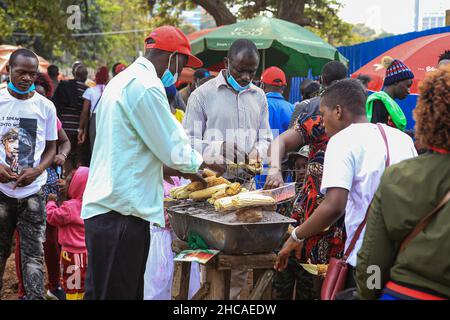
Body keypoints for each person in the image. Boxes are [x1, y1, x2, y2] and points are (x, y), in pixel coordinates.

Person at [81, 26, 219, 300]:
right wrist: (201, 171)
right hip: (121, 214)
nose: (180, 72)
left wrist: (182, 168)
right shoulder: (146, 86)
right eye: (182, 64)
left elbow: (135, 147)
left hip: (110, 212)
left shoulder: (122, 81)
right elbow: (173, 147)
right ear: (172, 58)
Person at [275, 79, 417, 293]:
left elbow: (334, 205)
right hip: (405, 255)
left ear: (338, 111)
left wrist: (296, 236)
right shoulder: (402, 139)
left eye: (324, 114)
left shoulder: (342, 141)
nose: (322, 121)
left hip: (369, 258)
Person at [183, 39, 272, 299]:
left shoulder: (260, 96)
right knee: (212, 258)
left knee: (241, 257)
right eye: (239, 70)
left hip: (245, 189)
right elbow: (186, 141)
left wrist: (259, 151)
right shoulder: (202, 95)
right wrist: (218, 147)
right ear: (226, 64)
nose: (245, 77)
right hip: (210, 188)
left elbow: (265, 137)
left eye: (251, 72)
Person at [356, 65, 450, 300]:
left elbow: (372, 262)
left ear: (424, 115)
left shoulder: (396, 177)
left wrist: (368, 293)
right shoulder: (381, 101)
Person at [265, 61, 348, 300]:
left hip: (336, 228)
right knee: (284, 279)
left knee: (315, 289)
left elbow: (337, 203)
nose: (320, 117)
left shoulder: (360, 138)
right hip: (302, 216)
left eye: (323, 112)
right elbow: (280, 142)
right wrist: (274, 169)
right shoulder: (317, 126)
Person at [0, 48, 58, 300]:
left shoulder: (45, 106)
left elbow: (52, 145)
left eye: (32, 74)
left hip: (34, 192)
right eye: (21, 72)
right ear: (8, 70)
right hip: (2, 193)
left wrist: (38, 169)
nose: (26, 78)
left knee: (34, 254)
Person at [14, 72, 71, 300]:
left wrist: (62, 156)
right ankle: (24, 291)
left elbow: (64, 142)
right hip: (19, 184)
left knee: (49, 238)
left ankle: (54, 285)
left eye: (39, 95)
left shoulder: (47, 113)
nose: (33, 98)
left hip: (46, 183)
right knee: (23, 241)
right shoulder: (12, 113)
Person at [46, 166, 89, 300]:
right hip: (87, 253)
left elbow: (52, 217)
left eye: (69, 182)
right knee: (83, 283)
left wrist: (51, 202)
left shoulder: (69, 207)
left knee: (71, 284)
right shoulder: (91, 205)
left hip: (71, 255)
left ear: (75, 186)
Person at [52, 62, 89, 170]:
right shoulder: (87, 90)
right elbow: (86, 112)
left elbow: (56, 105)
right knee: (76, 156)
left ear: (74, 74)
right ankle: (73, 181)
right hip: (79, 129)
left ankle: (64, 179)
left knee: (64, 155)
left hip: (64, 126)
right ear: (86, 76)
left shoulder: (64, 85)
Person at [366, 56, 414, 131]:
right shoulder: (379, 102)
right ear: (396, 81)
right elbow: (379, 134)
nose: (409, 91)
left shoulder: (389, 104)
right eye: (407, 86)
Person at [78, 66, 110, 152]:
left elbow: (85, 112)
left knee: (95, 146)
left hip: (95, 120)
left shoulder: (90, 90)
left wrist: (81, 128)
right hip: (108, 118)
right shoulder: (110, 90)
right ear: (107, 77)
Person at [260, 66, 294, 138]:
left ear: (263, 86)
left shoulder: (259, 105)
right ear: (283, 88)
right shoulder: (292, 108)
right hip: (285, 148)